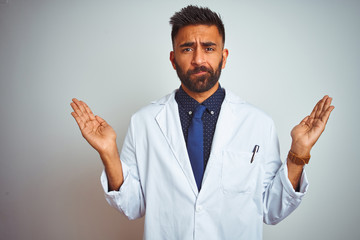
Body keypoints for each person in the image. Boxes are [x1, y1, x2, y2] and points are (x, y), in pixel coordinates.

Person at [70, 5, 334, 240]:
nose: (198, 59)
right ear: (173, 59)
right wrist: (108, 153)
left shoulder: (257, 123)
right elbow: (133, 206)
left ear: (224, 56)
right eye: (187, 48)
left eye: (209, 48)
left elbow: (271, 209)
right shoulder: (145, 122)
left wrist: (299, 153)